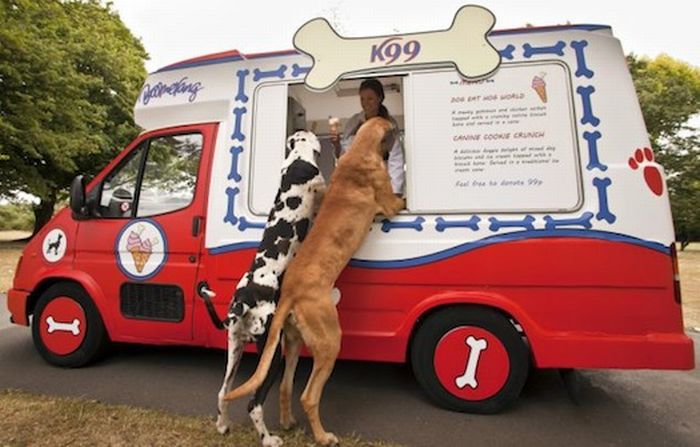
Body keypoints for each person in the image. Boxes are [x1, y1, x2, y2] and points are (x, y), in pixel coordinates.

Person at [330, 78, 405, 195]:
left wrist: (395, 192)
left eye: (370, 98)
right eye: (362, 99)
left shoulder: (389, 124)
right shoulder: (354, 122)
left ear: (379, 98)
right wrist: (337, 145)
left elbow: (396, 159)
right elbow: (345, 155)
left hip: (381, 181)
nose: (365, 103)